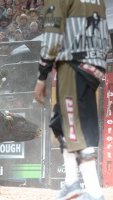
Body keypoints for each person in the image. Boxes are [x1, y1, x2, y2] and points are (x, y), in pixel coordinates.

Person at [33, 1, 111, 200]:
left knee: (73, 127)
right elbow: (106, 39)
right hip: (93, 66)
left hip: (73, 65)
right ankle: (71, 183)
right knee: (61, 123)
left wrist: (42, 77)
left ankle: (94, 192)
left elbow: (51, 38)